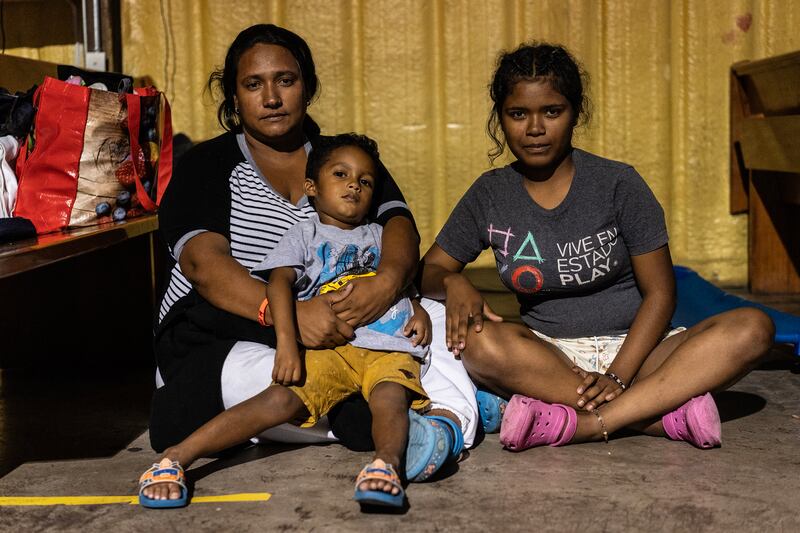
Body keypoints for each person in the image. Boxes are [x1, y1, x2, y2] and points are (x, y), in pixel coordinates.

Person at [149, 22, 476, 498]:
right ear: (234, 96)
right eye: (253, 84)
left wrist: (385, 284)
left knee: (439, 318)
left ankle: (441, 417)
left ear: (308, 86)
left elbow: (398, 224)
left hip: (344, 324)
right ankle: (443, 419)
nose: (272, 97)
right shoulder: (208, 165)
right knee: (319, 392)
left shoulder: (338, 158)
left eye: (286, 80)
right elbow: (203, 265)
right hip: (225, 333)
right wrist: (290, 317)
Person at [418, 42, 774, 450]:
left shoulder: (618, 184)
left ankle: (586, 423)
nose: (535, 128)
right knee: (476, 343)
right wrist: (454, 284)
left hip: (641, 354)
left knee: (752, 328)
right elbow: (428, 270)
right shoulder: (490, 195)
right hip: (550, 358)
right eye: (518, 114)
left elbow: (661, 293)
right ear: (500, 117)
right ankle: (655, 415)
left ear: (575, 113)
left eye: (552, 111)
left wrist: (619, 376)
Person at [140, 134, 435, 509]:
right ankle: (177, 456)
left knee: (390, 400)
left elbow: (403, 282)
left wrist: (417, 308)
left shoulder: (379, 235)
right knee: (277, 400)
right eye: (341, 175)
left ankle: (385, 467)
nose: (353, 186)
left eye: (364, 182)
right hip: (333, 349)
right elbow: (279, 283)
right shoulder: (305, 233)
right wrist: (287, 344)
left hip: (386, 349)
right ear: (312, 187)